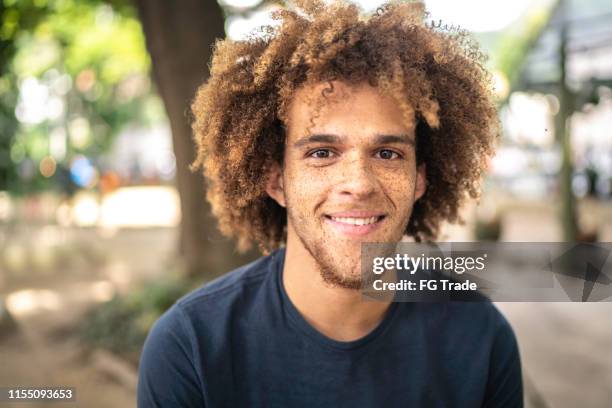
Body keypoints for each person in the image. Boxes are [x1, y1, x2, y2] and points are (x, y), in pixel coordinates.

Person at [137, 0, 523, 406]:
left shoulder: (480, 338)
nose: (358, 184)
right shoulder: (190, 349)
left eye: (388, 154)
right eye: (321, 153)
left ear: (420, 179)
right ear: (275, 179)